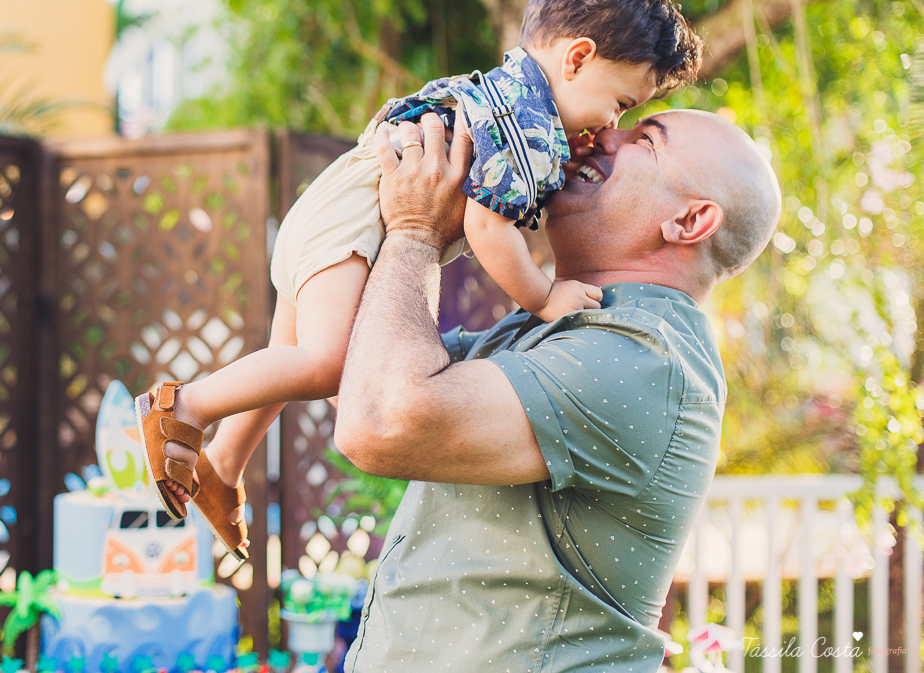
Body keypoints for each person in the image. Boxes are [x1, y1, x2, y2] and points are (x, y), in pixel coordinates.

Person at [132, 0, 703, 558]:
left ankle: (223, 464)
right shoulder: (528, 127)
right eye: (619, 104)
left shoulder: (507, 94)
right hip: (354, 219)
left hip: (338, 201)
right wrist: (542, 295)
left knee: (286, 358)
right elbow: (487, 224)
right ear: (578, 58)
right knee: (326, 366)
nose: (612, 124)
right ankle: (182, 407)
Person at [333, 109, 781, 671]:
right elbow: (357, 381)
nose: (599, 134)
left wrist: (416, 233)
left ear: (689, 221)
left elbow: (379, 422)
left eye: (644, 138)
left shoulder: (643, 357)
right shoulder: (558, 325)